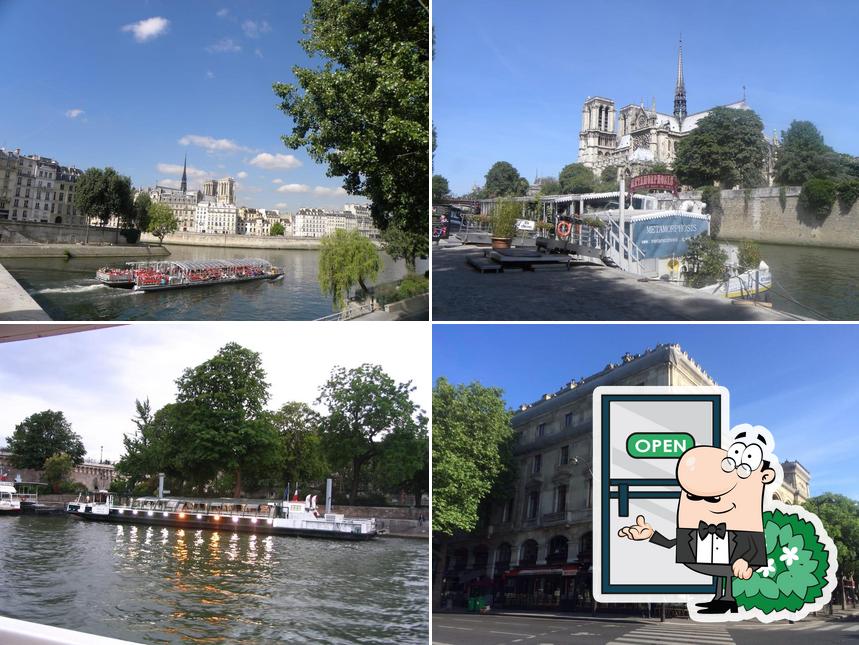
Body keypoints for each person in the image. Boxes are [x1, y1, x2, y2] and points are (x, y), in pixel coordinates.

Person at [618, 428, 775, 615]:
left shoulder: (746, 529)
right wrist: (651, 535)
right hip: (711, 558)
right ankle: (720, 599)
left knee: (725, 572)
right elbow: (671, 544)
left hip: (732, 560)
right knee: (719, 573)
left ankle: (728, 599)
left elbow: (755, 549)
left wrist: (746, 562)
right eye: (692, 496)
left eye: (714, 498)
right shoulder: (694, 530)